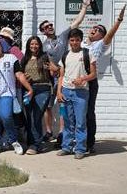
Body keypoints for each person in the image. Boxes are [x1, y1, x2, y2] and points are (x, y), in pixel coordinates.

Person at [73, 4, 126, 153]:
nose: (95, 29)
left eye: (99, 30)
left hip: (89, 81)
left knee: (88, 112)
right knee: (75, 112)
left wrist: (119, 20)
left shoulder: (99, 45)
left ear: (101, 35)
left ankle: (89, 144)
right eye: (94, 27)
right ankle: (75, 141)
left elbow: (110, 35)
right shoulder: (81, 42)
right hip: (75, 81)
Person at [40, 0, 88, 145]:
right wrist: (50, 68)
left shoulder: (63, 36)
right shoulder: (42, 45)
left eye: (51, 25)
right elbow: (42, 62)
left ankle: (61, 133)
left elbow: (77, 22)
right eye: (47, 27)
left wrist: (84, 6)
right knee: (48, 105)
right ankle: (48, 131)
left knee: (62, 104)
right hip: (49, 79)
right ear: (42, 31)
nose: (50, 27)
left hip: (63, 75)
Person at [56, 29, 97, 159]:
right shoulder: (65, 55)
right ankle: (66, 147)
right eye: (72, 40)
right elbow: (61, 75)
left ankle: (80, 149)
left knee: (80, 122)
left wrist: (82, 79)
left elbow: (93, 74)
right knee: (67, 121)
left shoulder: (87, 53)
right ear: (69, 41)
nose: (74, 42)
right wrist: (59, 92)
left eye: (77, 40)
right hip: (66, 91)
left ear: (81, 40)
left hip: (81, 92)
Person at [19, 36, 57, 155]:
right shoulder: (25, 58)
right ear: (28, 46)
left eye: (36, 44)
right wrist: (25, 77)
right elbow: (20, 74)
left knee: (37, 116)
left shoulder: (45, 56)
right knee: (29, 117)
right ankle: (33, 143)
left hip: (43, 88)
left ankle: (35, 145)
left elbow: (55, 71)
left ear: (40, 45)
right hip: (28, 89)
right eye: (31, 44)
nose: (34, 46)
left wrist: (52, 69)